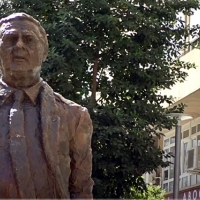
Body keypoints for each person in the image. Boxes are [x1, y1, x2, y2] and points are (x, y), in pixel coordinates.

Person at [0, 12, 93, 199]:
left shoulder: (74, 116)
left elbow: (81, 190)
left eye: (29, 40)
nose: (19, 45)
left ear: (44, 53)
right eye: (10, 39)